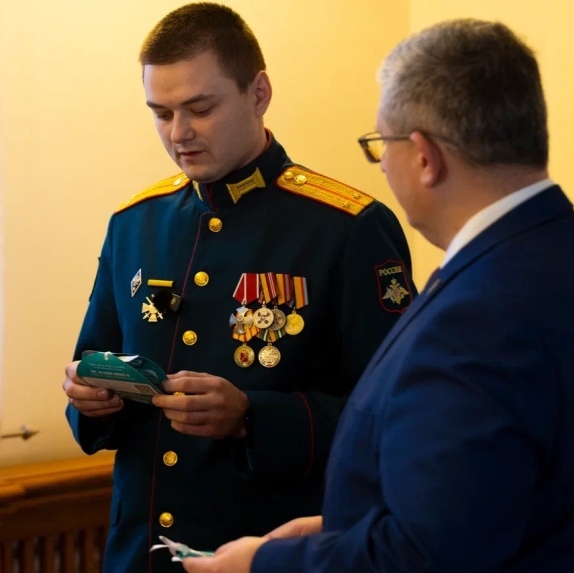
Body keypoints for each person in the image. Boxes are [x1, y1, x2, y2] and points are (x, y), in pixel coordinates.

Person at [182, 18, 574, 573]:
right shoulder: (558, 247)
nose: (382, 164)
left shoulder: (482, 312)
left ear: (424, 157)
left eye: (380, 145)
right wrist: (339, 526)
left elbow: (426, 556)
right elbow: (480, 499)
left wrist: (266, 563)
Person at [61, 3, 414, 572]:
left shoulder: (348, 228)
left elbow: (397, 419)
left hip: (270, 553)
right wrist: (91, 398)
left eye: (201, 108)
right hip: (141, 554)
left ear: (259, 93)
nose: (179, 133)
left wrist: (252, 416)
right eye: (161, 113)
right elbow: (92, 370)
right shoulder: (135, 224)